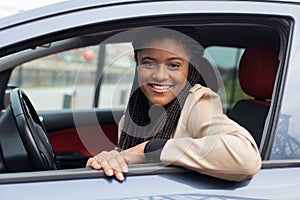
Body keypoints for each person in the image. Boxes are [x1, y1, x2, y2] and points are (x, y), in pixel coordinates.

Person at [86, 27, 262, 182]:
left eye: (174, 65)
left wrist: (150, 150)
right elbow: (129, 159)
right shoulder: (133, 114)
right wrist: (111, 159)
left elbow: (245, 158)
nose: (160, 76)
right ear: (137, 64)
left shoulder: (197, 103)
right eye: (148, 63)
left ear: (189, 69)